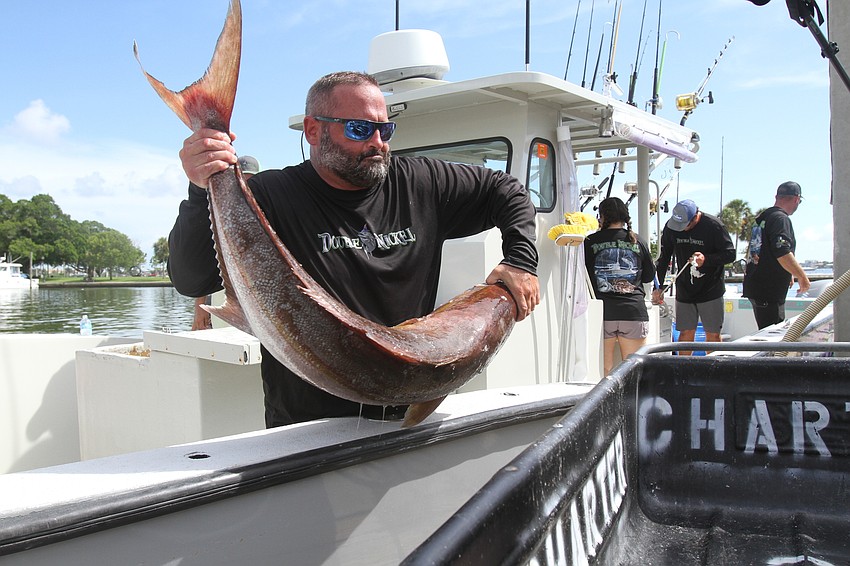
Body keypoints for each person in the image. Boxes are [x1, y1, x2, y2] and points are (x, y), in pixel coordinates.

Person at [168, 71, 540, 427]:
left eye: (385, 129)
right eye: (360, 129)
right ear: (313, 131)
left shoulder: (422, 183)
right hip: (305, 427)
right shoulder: (270, 196)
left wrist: (521, 260)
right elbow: (190, 277)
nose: (377, 143)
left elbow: (507, 191)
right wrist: (202, 188)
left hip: (401, 413)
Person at [651, 199, 736, 354]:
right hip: (684, 289)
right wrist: (659, 287)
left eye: (685, 226)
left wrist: (706, 260)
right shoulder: (671, 228)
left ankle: (714, 373)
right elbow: (663, 259)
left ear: (696, 216)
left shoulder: (714, 226)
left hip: (711, 289)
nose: (682, 230)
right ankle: (684, 372)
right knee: (685, 334)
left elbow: (730, 254)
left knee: (713, 335)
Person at [584, 197, 655, 374]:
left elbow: (584, 277)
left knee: (603, 371)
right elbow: (648, 276)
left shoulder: (590, 241)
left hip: (602, 313)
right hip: (633, 312)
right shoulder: (638, 241)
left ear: (601, 217)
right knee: (632, 371)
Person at [190, 155, 261, 331]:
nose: (245, 186)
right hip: (225, 297)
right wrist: (200, 309)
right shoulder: (218, 216)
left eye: (251, 181)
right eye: (241, 180)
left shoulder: (267, 213)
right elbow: (205, 265)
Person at [742, 181, 811, 329]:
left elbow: (764, 249)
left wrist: (789, 272)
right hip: (769, 290)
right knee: (772, 336)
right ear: (796, 199)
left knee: (766, 331)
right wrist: (802, 276)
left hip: (756, 286)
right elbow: (782, 252)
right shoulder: (781, 219)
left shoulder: (763, 217)